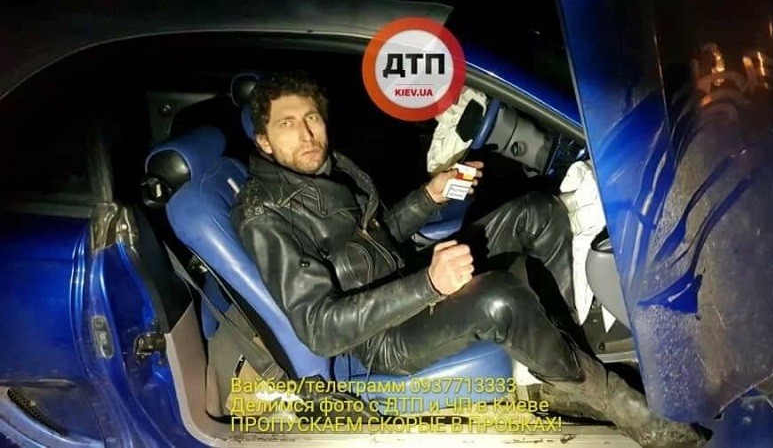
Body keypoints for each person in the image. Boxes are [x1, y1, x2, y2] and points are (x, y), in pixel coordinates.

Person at [231, 70, 705, 447]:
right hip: (380, 338)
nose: (307, 133)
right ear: (264, 141)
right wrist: (429, 285)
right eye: (287, 124)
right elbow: (320, 329)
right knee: (499, 298)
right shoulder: (265, 215)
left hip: (403, 281)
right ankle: (623, 407)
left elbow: (377, 239)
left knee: (537, 213)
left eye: (312, 118)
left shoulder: (326, 170)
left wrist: (430, 196)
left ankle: (557, 370)